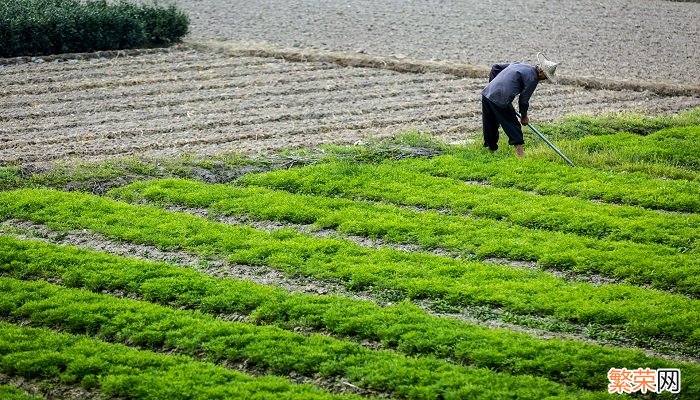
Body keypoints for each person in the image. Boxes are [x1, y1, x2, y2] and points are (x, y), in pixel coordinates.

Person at [481, 52, 559, 157]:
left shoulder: (520, 65)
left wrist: (492, 85)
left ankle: (491, 151)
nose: (545, 79)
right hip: (501, 99)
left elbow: (495, 67)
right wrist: (524, 116)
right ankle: (520, 155)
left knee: (490, 122)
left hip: (487, 93)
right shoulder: (533, 78)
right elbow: (524, 99)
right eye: (546, 76)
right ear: (541, 72)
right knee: (513, 125)